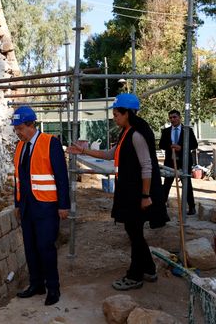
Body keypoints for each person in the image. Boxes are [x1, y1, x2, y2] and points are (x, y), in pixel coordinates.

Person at [67, 93, 169, 291]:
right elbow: (110, 155)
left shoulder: (137, 135)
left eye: (116, 114)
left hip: (138, 194)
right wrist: (83, 151)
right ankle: (149, 268)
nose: (114, 118)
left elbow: (147, 166)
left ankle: (135, 276)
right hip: (128, 193)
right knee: (134, 232)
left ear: (128, 113)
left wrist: (146, 196)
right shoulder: (126, 133)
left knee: (135, 233)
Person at [11, 106, 69, 306]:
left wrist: (64, 205)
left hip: (47, 206)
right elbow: (18, 179)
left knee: (45, 247)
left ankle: (53, 288)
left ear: (30, 125)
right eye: (15, 129)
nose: (17, 132)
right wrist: (17, 203)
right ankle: (36, 284)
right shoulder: (20, 147)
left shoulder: (50, 143)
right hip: (27, 206)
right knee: (30, 248)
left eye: (19, 128)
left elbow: (61, 176)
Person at [159, 109, 198, 215]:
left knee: (187, 184)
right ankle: (161, 208)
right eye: (171, 118)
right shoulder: (166, 131)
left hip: (184, 161)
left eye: (175, 117)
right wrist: (170, 146)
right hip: (170, 161)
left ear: (179, 118)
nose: (172, 119)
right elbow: (161, 145)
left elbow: (194, 145)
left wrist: (181, 147)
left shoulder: (187, 130)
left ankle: (191, 207)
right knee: (167, 184)